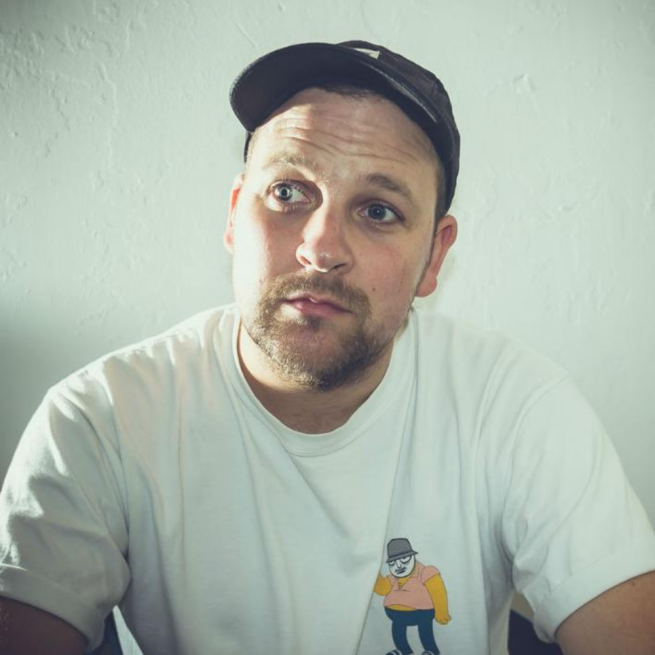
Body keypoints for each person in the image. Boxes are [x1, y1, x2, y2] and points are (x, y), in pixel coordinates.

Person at [0, 40, 654, 655]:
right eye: (287, 192)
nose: (321, 247)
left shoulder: (517, 409)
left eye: (377, 211)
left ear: (434, 258)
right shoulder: (101, 419)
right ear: (233, 215)